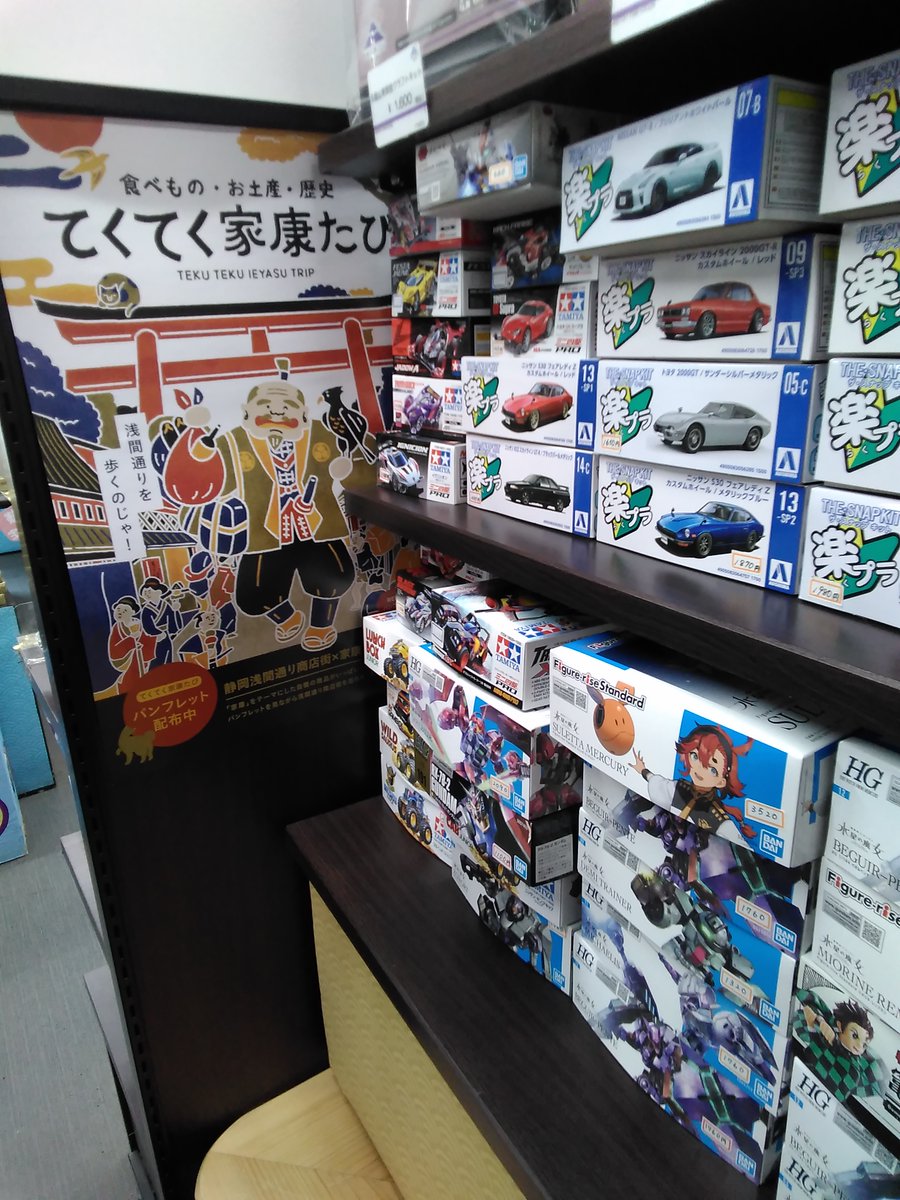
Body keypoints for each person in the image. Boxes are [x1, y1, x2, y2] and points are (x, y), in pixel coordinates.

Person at [158, 362, 366, 650]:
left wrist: (345, 466)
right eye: (266, 405)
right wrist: (191, 435)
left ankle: (321, 625)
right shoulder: (233, 442)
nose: (277, 413)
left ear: (304, 413)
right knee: (253, 593)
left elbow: (355, 459)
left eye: (287, 406)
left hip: (316, 524)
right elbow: (206, 478)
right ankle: (287, 617)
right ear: (247, 412)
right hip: (264, 530)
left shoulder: (322, 434)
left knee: (335, 574)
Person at [631, 723, 754, 841]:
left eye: (712, 770)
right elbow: (657, 783)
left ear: (721, 782)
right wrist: (643, 770)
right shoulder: (680, 788)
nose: (700, 769)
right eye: (695, 756)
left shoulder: (719, 820)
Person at [107, 595, 144, 692]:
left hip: (141, 656)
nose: (120, 613)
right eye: (118, 610)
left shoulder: (138, 624)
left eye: (124, 611)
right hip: (122, 659)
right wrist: (131, 640)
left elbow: (147, 640)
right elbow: (114, 648)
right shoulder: (116, 628)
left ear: (133, 612)